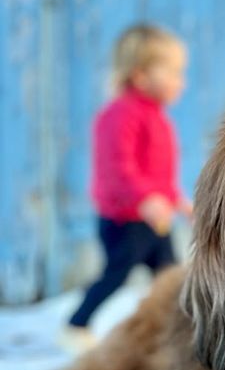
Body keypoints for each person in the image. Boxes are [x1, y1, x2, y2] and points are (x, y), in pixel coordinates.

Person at [63, 24, 191, 352]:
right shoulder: (120, 115)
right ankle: (75, 325)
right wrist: (145, 198)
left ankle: (174, 334)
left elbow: (158, 172)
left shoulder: (157, 117)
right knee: (116, 275)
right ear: (140, 75)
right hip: (124, 220)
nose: (181, 82)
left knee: (171, 277)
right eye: (174, 72)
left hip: (153, 219)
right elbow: (118, 169)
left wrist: (177, 200)